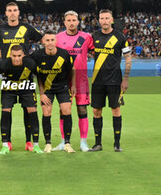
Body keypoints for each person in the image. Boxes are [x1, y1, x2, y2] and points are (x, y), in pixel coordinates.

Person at [0, 2, 42, 151]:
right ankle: (7, 143)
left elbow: (42, 39)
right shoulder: (0, 29)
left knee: (29, 110)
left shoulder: (26, 28)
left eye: (15, 10)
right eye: (9, 10)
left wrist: (32, 57)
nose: (12, 13)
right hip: (7, 76)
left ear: (19, 13)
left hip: (26, 76)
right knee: (6, 110)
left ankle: (29, 142)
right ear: (6, 13)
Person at [90, 9, 132, 152]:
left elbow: (128, 59)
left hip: (115, 81)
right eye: (102, 18)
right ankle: (98, 143)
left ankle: (117, 143)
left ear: (112, 19)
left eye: (107, 18)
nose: (105, 21)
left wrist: (125, 79)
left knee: (116, 110)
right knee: (96, 111)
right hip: (97, 81)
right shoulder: (94, 36)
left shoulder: (120, 37)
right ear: (99, 20)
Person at [55, 10, 94, 152]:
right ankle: (64, 141)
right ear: (64, 22)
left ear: (78, 22)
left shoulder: (86, 37)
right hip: (64, 81)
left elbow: (98, 53)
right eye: (69, 20)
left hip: (81, 81)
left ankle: (83, 142)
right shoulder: (57, 38)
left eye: (74, 20)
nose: (71, 23)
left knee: (82, 110)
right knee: (64, 110)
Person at [31, 30, 76, 153]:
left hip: (62, 87)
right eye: (47, 40)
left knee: (66, 110)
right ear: (43, 42)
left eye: (52, 40)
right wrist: (42, 93)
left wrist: (73, 86)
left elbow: (72, 70)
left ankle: (67, 143)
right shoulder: (37, 56)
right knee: (46, 112)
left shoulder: (64, 54)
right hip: (47, 89)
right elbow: (38, 76)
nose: (50, 43)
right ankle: (48, 143)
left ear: (56, 41)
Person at [0, 45, 43, 154]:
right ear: (10, 55)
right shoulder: (4, 64)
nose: (16, 58)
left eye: (19, 56)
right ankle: (6, 144)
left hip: (26, 87)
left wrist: (42, 93)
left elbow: (40, 76)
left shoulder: (30, 63)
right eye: (14, 56)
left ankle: (33, 144)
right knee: (5, 111)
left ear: (23, 55)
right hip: (9, 88)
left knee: (32, 111)